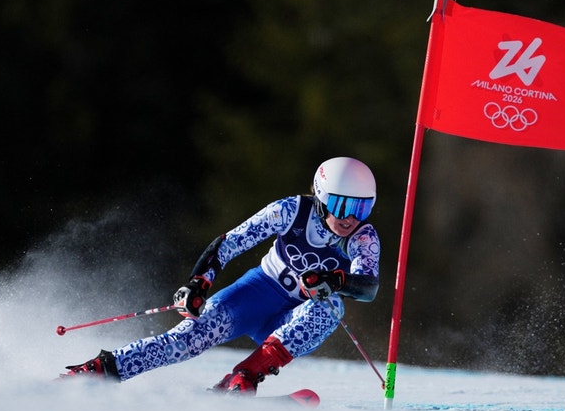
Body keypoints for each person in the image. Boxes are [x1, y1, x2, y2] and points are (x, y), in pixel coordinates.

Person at [61, 156, 380, 394]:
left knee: (331, 307)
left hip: (292, 322)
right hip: (255, 294)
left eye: (362, 209)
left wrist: (337, 280)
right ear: (322, 197)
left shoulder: (362, 238)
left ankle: (243, 378)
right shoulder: (291, 210)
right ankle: (103, 368)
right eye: (342, 205)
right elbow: (229, 243)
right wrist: (199, 282)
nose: (351, 217)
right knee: (184, 341)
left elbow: (367, 287)